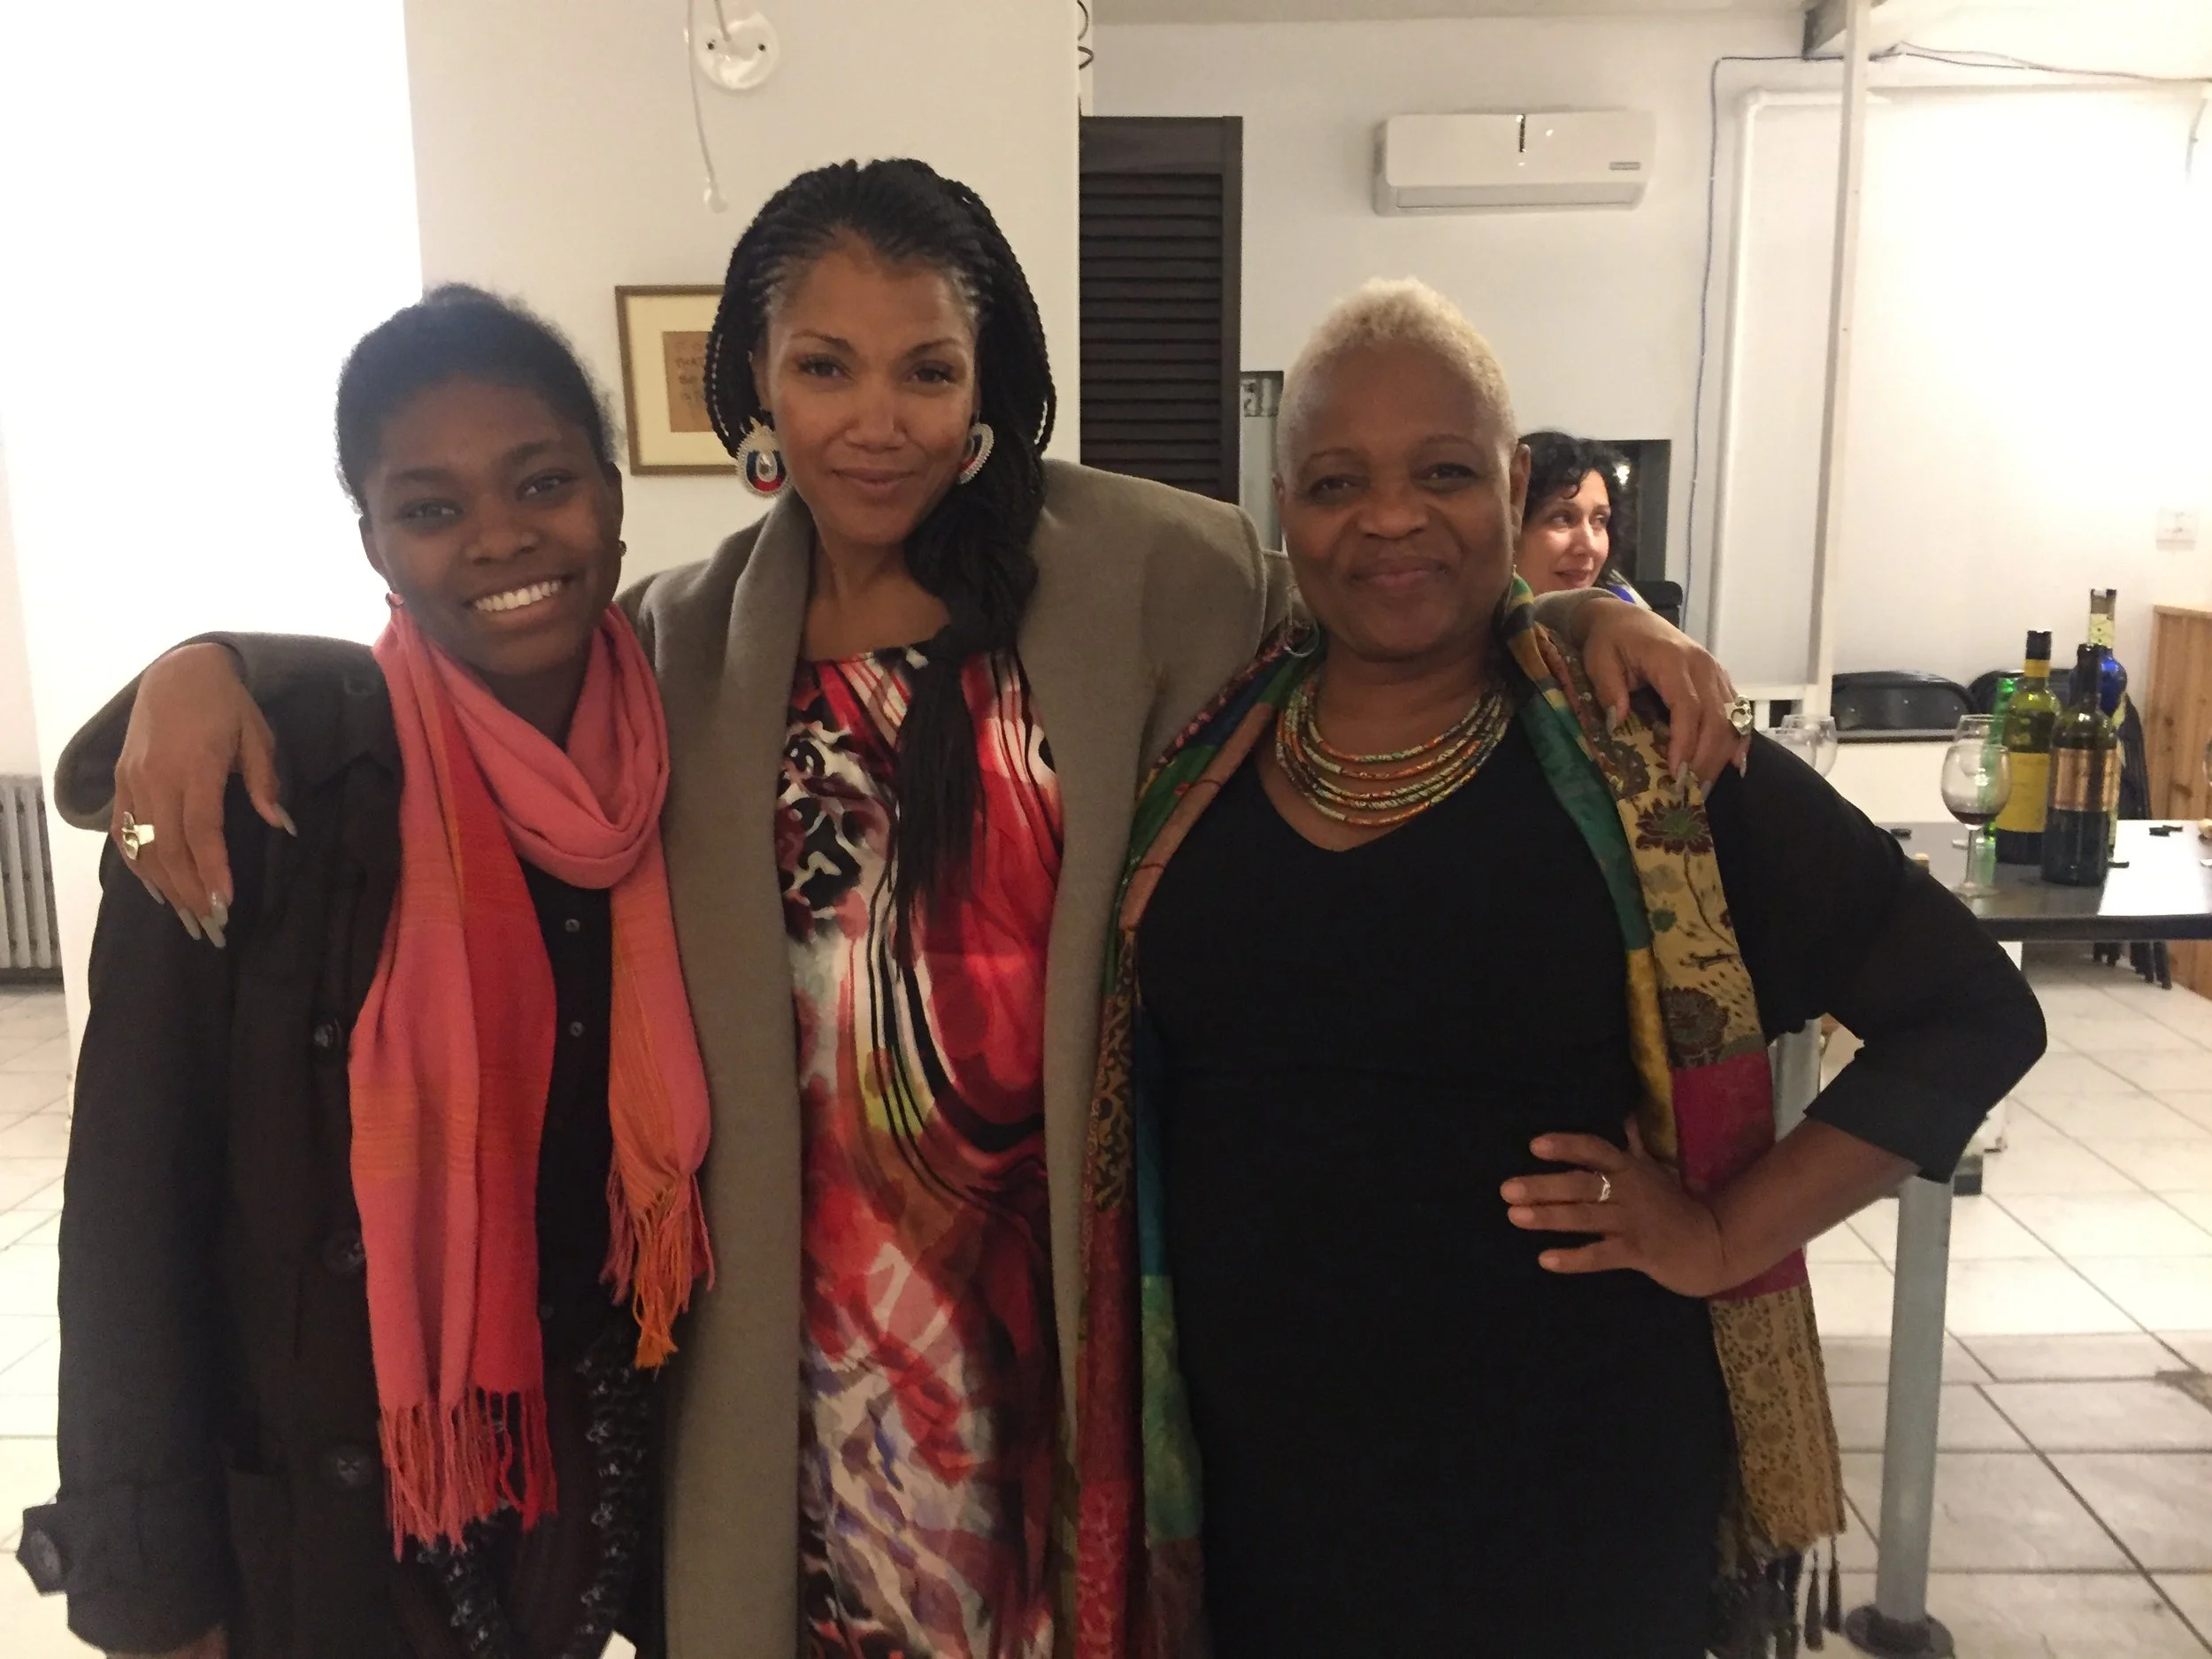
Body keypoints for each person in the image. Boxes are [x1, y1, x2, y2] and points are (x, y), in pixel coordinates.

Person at [53, 165, 1750, 1658]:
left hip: (1072, 1312)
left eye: (928, 369)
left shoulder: (1159, 572)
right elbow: (449, 683)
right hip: (796, 1348)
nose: (879, 419)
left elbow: (1381, 613)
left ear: (988, 381)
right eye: (826, 367)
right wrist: (209, 665)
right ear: (758, 391)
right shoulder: (679, 639)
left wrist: (1565, 617)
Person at [1071, 280, 2045, 1658]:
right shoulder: (1198, 766)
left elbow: (1968, 1009)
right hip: (1258, 1507)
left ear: (1515, 482)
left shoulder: (1654, 765)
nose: (1392, 516)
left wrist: (1723, 1231)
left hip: (1564, 1501)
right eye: (1340, 480)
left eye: (1447, 472)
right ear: (1285, 509)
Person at [26, 288, 714, 1659]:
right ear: (373, 542)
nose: (503, 536)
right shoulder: (261, 788)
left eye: (542, 482)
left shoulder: (681, 751)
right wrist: (152, 1592)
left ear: (612, 494)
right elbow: (128, 1209)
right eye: (432, 507)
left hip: (586, 1469)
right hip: (349, 1479)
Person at [1515, 428, 1644, 603]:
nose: (1590, 546)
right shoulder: (1470, 621)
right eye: (1562, 518)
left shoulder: (1618, 607)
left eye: (1599, 520)